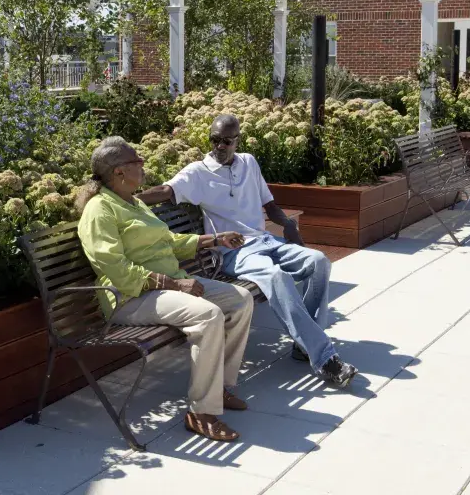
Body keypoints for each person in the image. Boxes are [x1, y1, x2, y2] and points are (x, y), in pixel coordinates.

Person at [137, 114, 358, 388]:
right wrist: (124, 197)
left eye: (226, 141)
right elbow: (165, 190)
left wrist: (288, 223)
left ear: (236, 140)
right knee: (276, 277)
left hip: (265, 241)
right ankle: (325, 357)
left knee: (318, 261)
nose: (219, 146)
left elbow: (270, 204)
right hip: (234, 252)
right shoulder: (198, 173)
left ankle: (305, 345)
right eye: (214, 140)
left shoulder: (249, 163)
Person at [76, 136, 254, 443]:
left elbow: (169, 242)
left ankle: (218, 387)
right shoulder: (99, 210)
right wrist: (173, 283)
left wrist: (212, 239)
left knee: (240, 299)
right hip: (129, 297)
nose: (143, 166)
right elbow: (114, 267)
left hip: (166, 288)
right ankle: (201, 412)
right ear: (119, 171)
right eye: (138, 162)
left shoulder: (135, 202)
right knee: (209, 315)